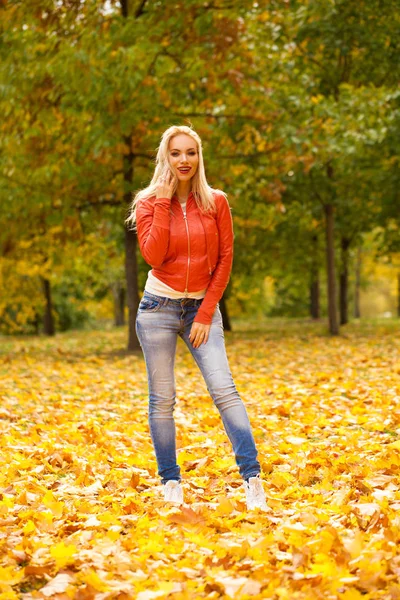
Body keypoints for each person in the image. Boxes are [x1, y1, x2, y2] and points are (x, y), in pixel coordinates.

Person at [125, 124, 269, 512]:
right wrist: (163, 198)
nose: (184, 160)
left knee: (224, 390)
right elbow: (154, 256)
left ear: (199, 157)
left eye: (190, 152)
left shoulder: (216, 201)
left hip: (200, 310)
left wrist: (206, 312)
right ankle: (171, 482)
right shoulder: (148, 202)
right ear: (165, 157)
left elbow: (225, 259)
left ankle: (252, 479)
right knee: (162, 400)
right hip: (158, 309)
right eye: (176, 153)